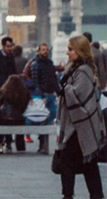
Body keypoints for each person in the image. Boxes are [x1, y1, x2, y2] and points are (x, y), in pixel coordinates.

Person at [58, 35, 106, 199]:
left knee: (68, 162)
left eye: (70, 49)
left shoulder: (83, 71)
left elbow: (79, 95)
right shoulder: (74, 69)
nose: (67, 52)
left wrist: (66, 89)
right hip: (78, 125)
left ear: (79, 51)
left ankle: (69, 195)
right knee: (88, 163)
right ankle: (96, 195)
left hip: (80, 125)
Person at [0, 75, 31, 154]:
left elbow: (0, 102)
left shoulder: (5, 92)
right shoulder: (24, 92)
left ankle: (8, 144)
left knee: (5, 121)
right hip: (19, 118)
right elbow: (25, 105)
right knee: (19, 122)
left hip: (7, 118)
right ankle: (20, 145)